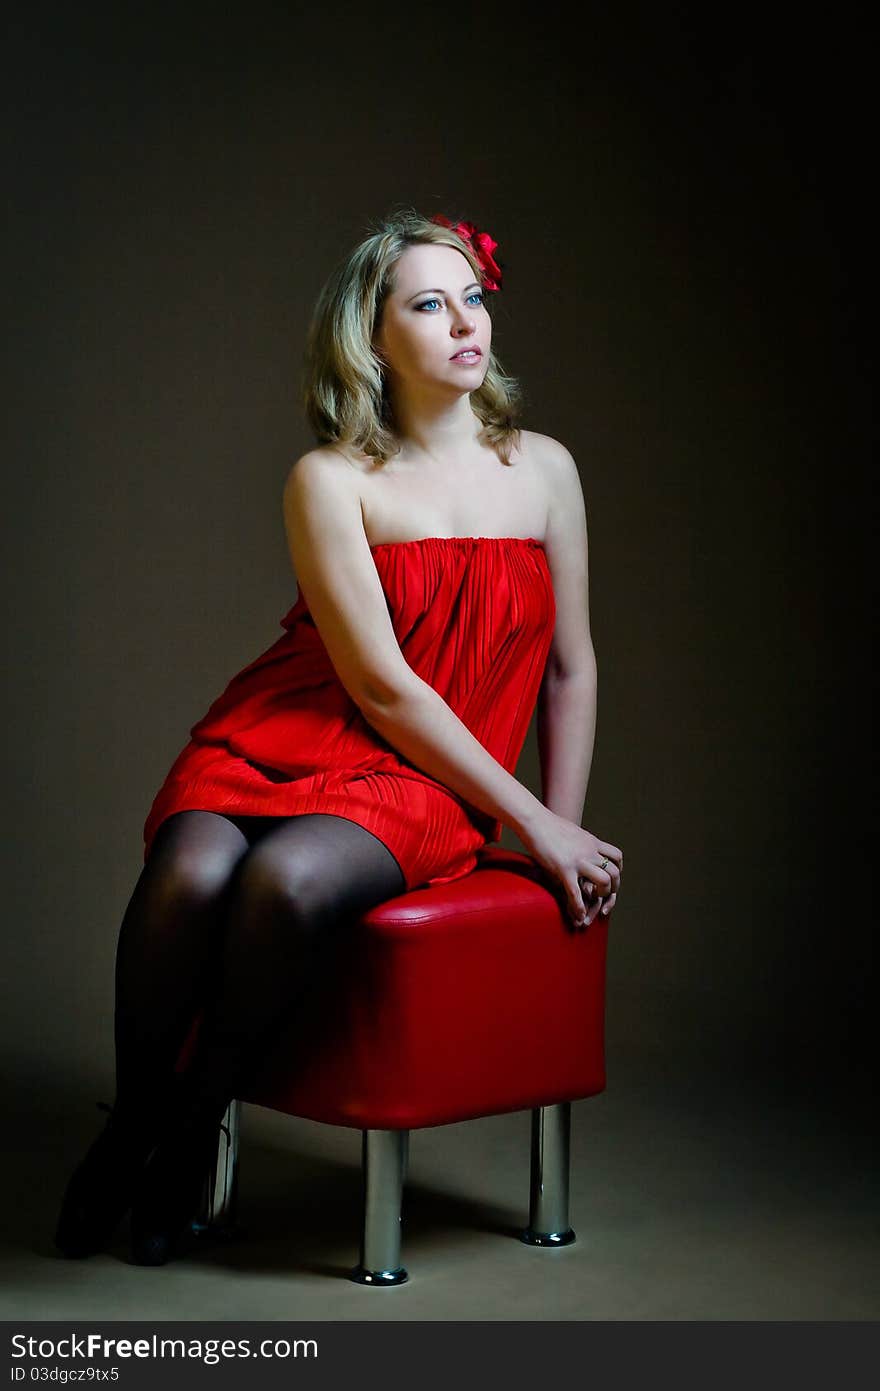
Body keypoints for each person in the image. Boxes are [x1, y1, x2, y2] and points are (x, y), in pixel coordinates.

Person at [53, 206, 623, 1268]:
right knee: (189, 870)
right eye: (428, 302)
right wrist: (536, 819)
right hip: (300, 724)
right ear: (370, 338)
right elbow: (378, 682)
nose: (466, 321)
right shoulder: (331, 478)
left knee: (284, 884)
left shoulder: (544, 467)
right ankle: (135, 1121)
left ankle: (190, 1119)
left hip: (425, 774)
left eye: (474, 297)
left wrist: (551, 827)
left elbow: (569, 665)